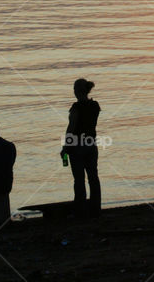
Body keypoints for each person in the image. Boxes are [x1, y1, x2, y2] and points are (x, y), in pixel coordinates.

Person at [60, 78, 101, 218]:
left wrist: (65, 147)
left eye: (74, 88)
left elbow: (71, 128)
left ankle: (81, 209)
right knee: (93, 177)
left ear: (77, 91)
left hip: (77, 146)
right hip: (91, 144)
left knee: (79, 179)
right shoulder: (95, 106)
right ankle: (96, 208)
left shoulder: (76, 108)